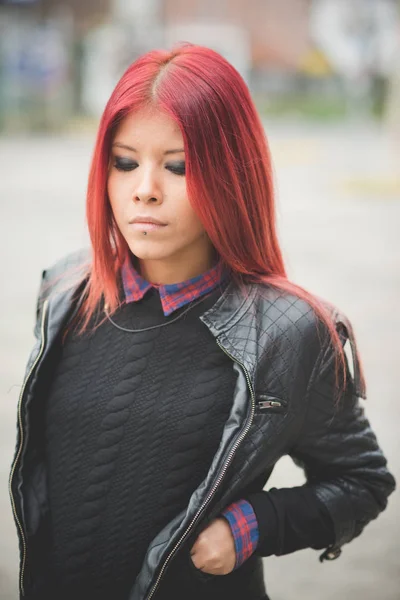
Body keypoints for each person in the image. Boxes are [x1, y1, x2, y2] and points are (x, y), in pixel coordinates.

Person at [9, 43, 395, 600]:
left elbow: (362, 482)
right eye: (125, 162)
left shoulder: (288, 333)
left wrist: (251, 527)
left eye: (178, 166)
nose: (145, 188)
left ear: (231, 173)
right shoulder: (68, 288)